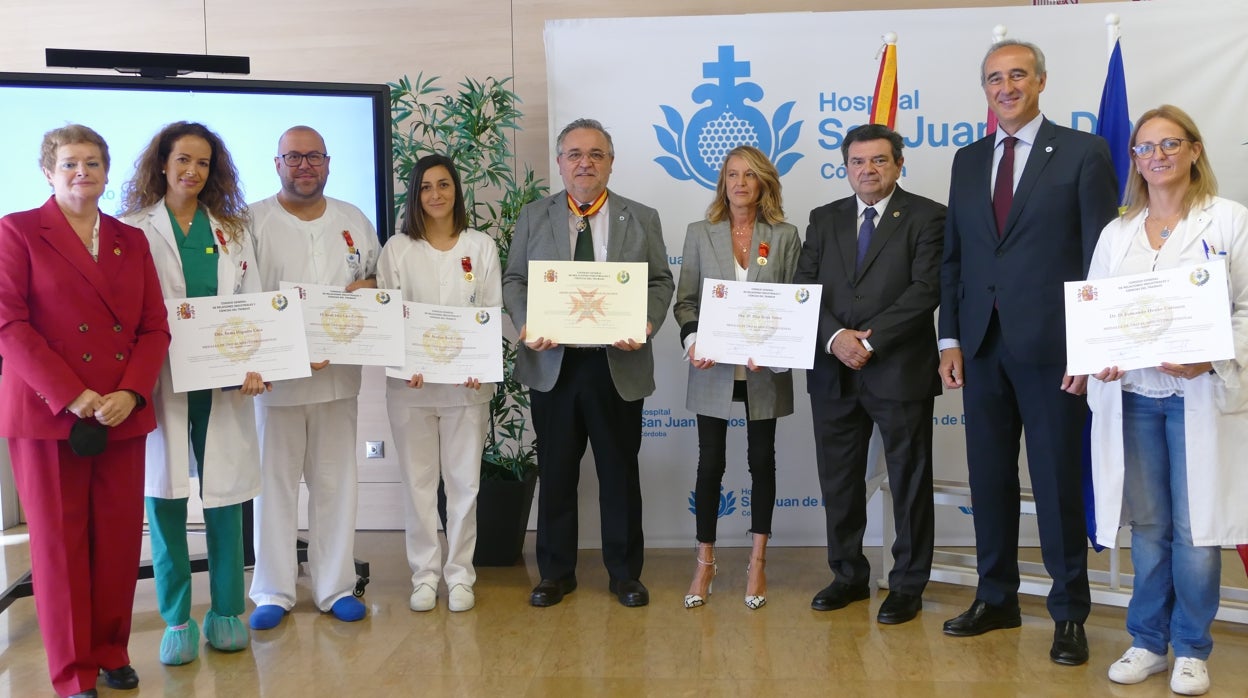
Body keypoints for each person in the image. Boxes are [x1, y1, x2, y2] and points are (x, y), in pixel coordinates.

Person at [937, 39, 1119, 665]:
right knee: (989, 481)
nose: (1006, 87)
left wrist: (1089, 348)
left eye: (1018, 75)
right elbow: (955, 258)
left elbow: (1102, 258)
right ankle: (997, 597)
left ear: (1041, 81)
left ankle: (1069, 612)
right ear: (984, 90)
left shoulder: (1083, 152)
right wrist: (950, 338)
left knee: (1057, 483)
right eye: (994, 78)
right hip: (981, 346)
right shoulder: (965, 160)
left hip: (1055, 350)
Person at [0, 125, 170, 697]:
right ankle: (74, 674)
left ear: (105, 171)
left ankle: (111, 651)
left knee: (119, 542)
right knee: (60, 547)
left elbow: (153, 327)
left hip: (120, 413)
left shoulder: (130, 238)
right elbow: (9, 325)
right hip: (51, 415)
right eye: (70, 163)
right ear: (48, 171)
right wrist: (71, 394)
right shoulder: (17, 231)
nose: (82, 173)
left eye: (93, 163)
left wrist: (132, 392)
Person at [1085, 105, 1248, 697]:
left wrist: (1211, 357)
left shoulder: (1230, 222)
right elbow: (1095, 311)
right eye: (1144, 147)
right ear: (1134, 159)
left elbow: (1247, 310)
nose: (1156, 156)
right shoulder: (1117, 231)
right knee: (1150, 526)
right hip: (1132, 396)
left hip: (1198, 395)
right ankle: (1149, 641)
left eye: (1169, 144)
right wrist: (1095, 355)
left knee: (1196, 525)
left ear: (1195, 150)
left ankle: (1193, 648)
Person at [502, 118, 674, 608]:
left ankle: (625, 574)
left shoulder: (641, 217)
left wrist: (645, 324)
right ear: (559, 163)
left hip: (617, 365)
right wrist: (526, 322)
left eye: (596, 154)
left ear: (611, 163)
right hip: (553, 364)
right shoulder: (534, 216)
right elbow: (514, 279)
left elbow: (661, 282)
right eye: (574, 154)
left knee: (619, 472)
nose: (585, 163)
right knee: (556, 473)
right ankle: (556, 573)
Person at [118, 122, 264, 664]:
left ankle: (227, 612)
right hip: (160, 382)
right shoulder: (131, 228)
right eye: (182, 159)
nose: (192, 171)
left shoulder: (233, 228)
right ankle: (176, 618)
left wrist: (255, 364)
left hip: (223, 382)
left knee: (225, 498)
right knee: (165, 500)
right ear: (162, 163)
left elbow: (251, 302)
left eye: (203, 163)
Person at [794, 124, 945, 624]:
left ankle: (906, 584)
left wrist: (871, 341)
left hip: (898, 369)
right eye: (858, 162)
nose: (868, 170)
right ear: (846, 167)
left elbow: (926, 289)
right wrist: (837, 338)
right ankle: (847, 576)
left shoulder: (928, 216)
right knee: (839, 479)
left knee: (908, 479)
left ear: (899, 164)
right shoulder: (824, 218)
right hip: (833, 369)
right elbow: (804, 287)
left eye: (879, 160)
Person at [247, 125, 379, 629]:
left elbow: (375, 282)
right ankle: (274, 592)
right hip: (276, 383)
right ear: (276, 163)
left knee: (335, 483)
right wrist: (293, 352)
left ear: (328, 163)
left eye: (314, 157)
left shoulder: (353, 219)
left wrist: (369, 286)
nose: (305, 166)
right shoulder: (252, 221)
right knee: (274, 486)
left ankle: (335, 587)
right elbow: (246, 297)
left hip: (339, 380)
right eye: (294, 157)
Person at [672, 145, 799, 610]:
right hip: (713, 371)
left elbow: (796, 304)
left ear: (764, 181)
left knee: (761, 463)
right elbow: (685, 301)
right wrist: (693, 342)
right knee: (710, 465)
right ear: (722, 182)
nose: (740, 183)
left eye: (749, 175)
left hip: (765, 373)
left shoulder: (784, 236)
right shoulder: (700, 234)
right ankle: (704, 561)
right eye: (731, 175)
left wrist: (780, 351)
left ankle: (757, 560)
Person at [378, 154, 501, 613]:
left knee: (465, 483)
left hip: (466, 387)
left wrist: (480, 361)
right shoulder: (397, 249)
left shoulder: (480, 246)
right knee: (418, 484)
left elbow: (490, 311)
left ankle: (460, 575)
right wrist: (403, 360)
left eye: (444, 185)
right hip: (411, 387)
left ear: (457, 191)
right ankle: (425, 575)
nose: (436, 195)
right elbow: (390, 316)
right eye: (426, 187)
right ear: (415, 194)